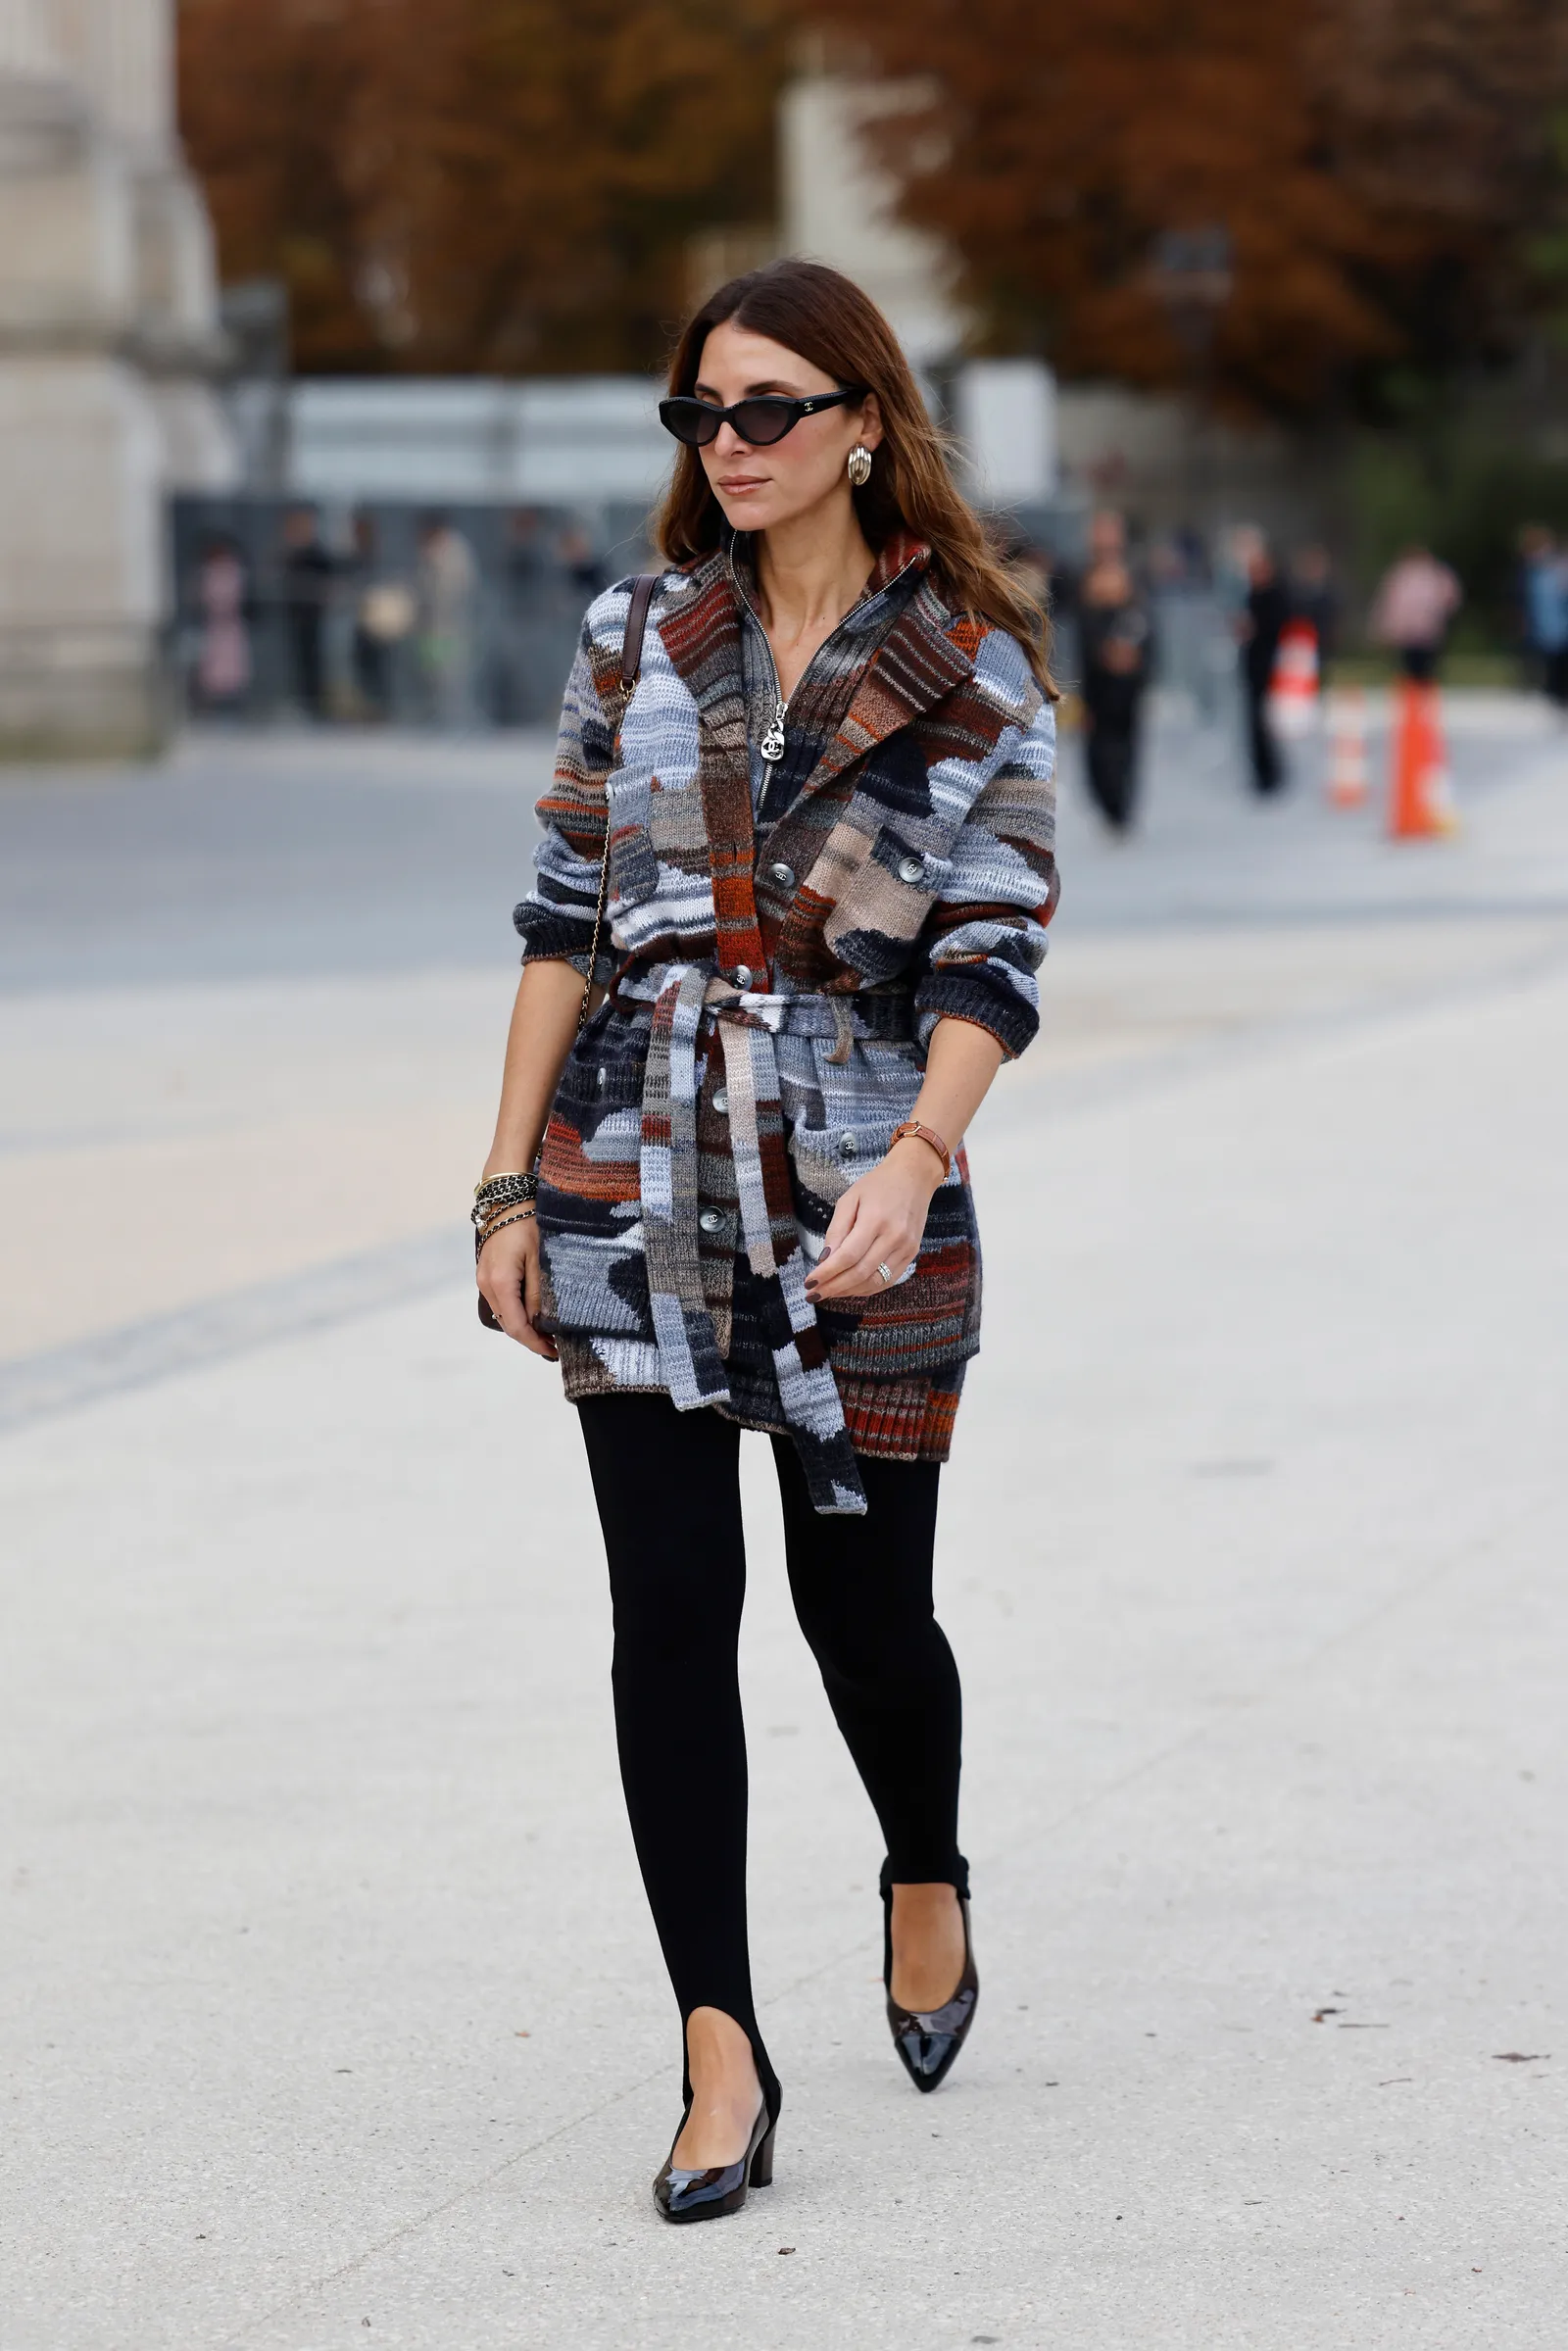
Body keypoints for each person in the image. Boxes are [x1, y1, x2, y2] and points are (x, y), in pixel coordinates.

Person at [475, 258, 1058, 2225]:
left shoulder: (968, 660)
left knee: (860, 1618)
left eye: (762, 410)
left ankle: (920, 1863)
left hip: (851, 1197)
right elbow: (563, 911)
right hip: (628, 1177)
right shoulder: (634, 631)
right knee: (665, 1619)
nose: (722, 446)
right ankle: (716, 2045)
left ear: (858, 424)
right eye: (696, 414)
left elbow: (991, 943)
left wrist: (914, 1153)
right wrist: (499, 1183)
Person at [1077, 511, 1153, 830]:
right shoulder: (1082, 576)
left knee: (1125, 745)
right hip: (1096, 681)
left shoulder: (1135, 577)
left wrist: (1134, 658)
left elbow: (1146, 628)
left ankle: (1121, 808)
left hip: (1128, 682)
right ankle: (1107, 803)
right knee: (1097, 747)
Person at [1236, 538, 1290, 794]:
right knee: (1255, 726)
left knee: (1269, 725)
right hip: (1254, 670)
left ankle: (1272, 776)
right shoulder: (1252, 594)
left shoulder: (1276, 595)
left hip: (1271, 669)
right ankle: (1261, 775)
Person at [415, 514, 478, 728]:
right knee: (434, 678)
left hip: (452, 630)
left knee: (452, 679)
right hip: (432, 629)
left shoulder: (455, 552)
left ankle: (457, 723)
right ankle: (440, 720)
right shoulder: (430, 551)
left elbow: (454, 591)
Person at [1369, 544, 1461, 682]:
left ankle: (1421, 697)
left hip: (1426, 634)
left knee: (1425, 671)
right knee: (1410, 671)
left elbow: (1450, 598)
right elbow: (1390, 605)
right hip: (1411, 635)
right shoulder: (1402, 576)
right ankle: (1414, 699)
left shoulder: (1432, 575)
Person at [280, 507, 333, 720]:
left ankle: (316, 704)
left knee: (315, 662)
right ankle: (306, 702)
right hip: (297, 617)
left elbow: (327, 580)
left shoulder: (317, 553)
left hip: (316, 618)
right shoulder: (293, 553)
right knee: (300, 661)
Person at [192, 534, 251, 715]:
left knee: (232, 666)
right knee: (214, 667)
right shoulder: (208, 573)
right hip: (215, 626)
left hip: (230, 625)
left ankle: (233, 706)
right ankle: (215, 707)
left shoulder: (234, 571)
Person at [1517, 525, 1568, 709]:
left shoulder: (1558, 570)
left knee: (1558, 674)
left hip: (1560, 633)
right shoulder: (1531, 573)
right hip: (1543, 632)